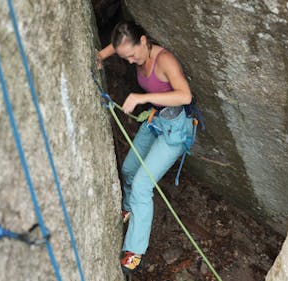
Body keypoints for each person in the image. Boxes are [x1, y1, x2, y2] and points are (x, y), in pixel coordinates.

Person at [97, 21, 195, 272]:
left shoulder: (165, 61)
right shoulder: (133, 47)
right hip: (156, 121)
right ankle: (129, 209)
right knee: (130, 170)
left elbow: (185, 96)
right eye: (124, 57)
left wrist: (144, 97)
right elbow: (118, 47)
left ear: (143, 41)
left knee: (142, 185)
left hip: (175, 129)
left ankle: (135, 250)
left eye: (132, 55)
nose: (130, 61)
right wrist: (100, 56)